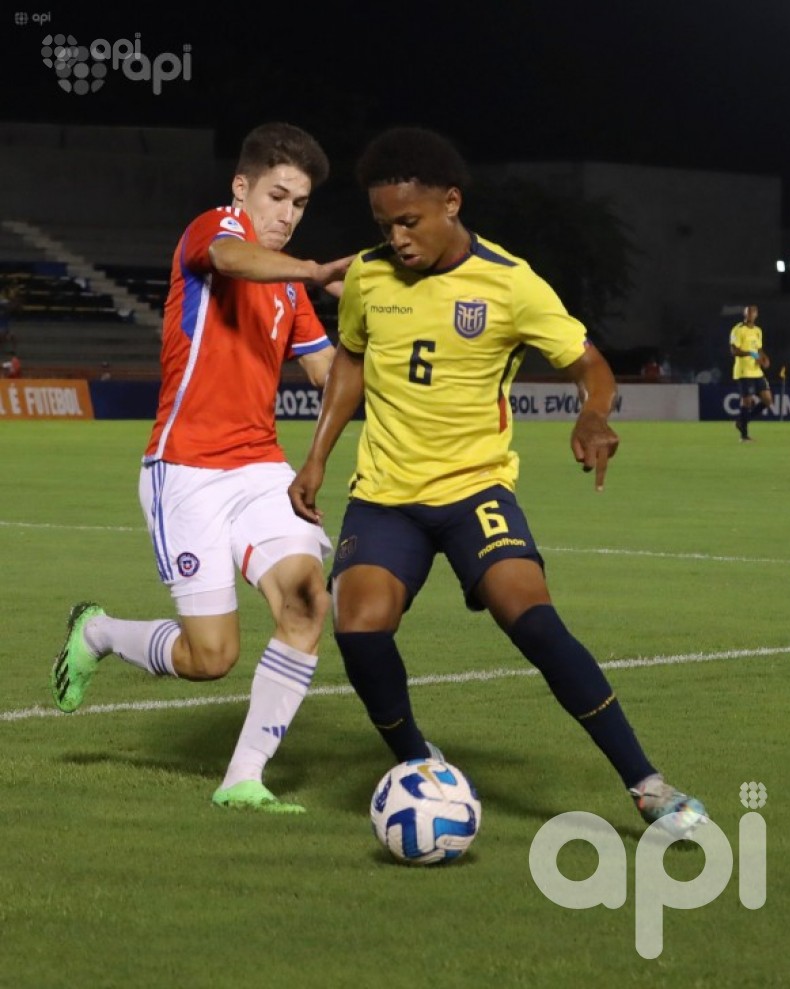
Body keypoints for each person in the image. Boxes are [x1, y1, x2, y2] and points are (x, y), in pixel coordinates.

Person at [288, 125, 707, 838]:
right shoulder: (366, 276)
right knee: (359, 629)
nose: (397, 239)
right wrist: (317, 456)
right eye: (385, 226)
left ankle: (645, 782)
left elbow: (589, 365)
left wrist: (594, 414)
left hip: (475, 489)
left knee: (534, 620)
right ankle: (419, 765)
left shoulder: (511, 282)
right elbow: (350, 361)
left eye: (409, 221)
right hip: (386, 494)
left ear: (451, 202)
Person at [50, 122, 353, 812]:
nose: (287, 214)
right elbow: (230, 257)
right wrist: (312, 269)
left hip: (260, 469)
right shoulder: (214, 232)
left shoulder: (288, 288)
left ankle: (243, 778)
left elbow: (327, 370)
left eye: (300, 203)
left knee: (308, 601)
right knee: (210, 657)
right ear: (241, 187)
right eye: (277, 196)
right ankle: (98, 632)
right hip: (185, 471)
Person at [730, 304, 772, 441]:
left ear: (756, 315)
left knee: (767, 400)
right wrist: (750, 353)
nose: (749, 315)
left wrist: (764, 359)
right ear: (744, 314)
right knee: (747, 402)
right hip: (743, 371)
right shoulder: (738, 330)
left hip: (756, 371)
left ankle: (742, 421)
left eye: (752, 313)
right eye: (747, 313)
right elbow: (734, 351)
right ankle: (744, 436)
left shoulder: (758, 331)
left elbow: (758, 349)